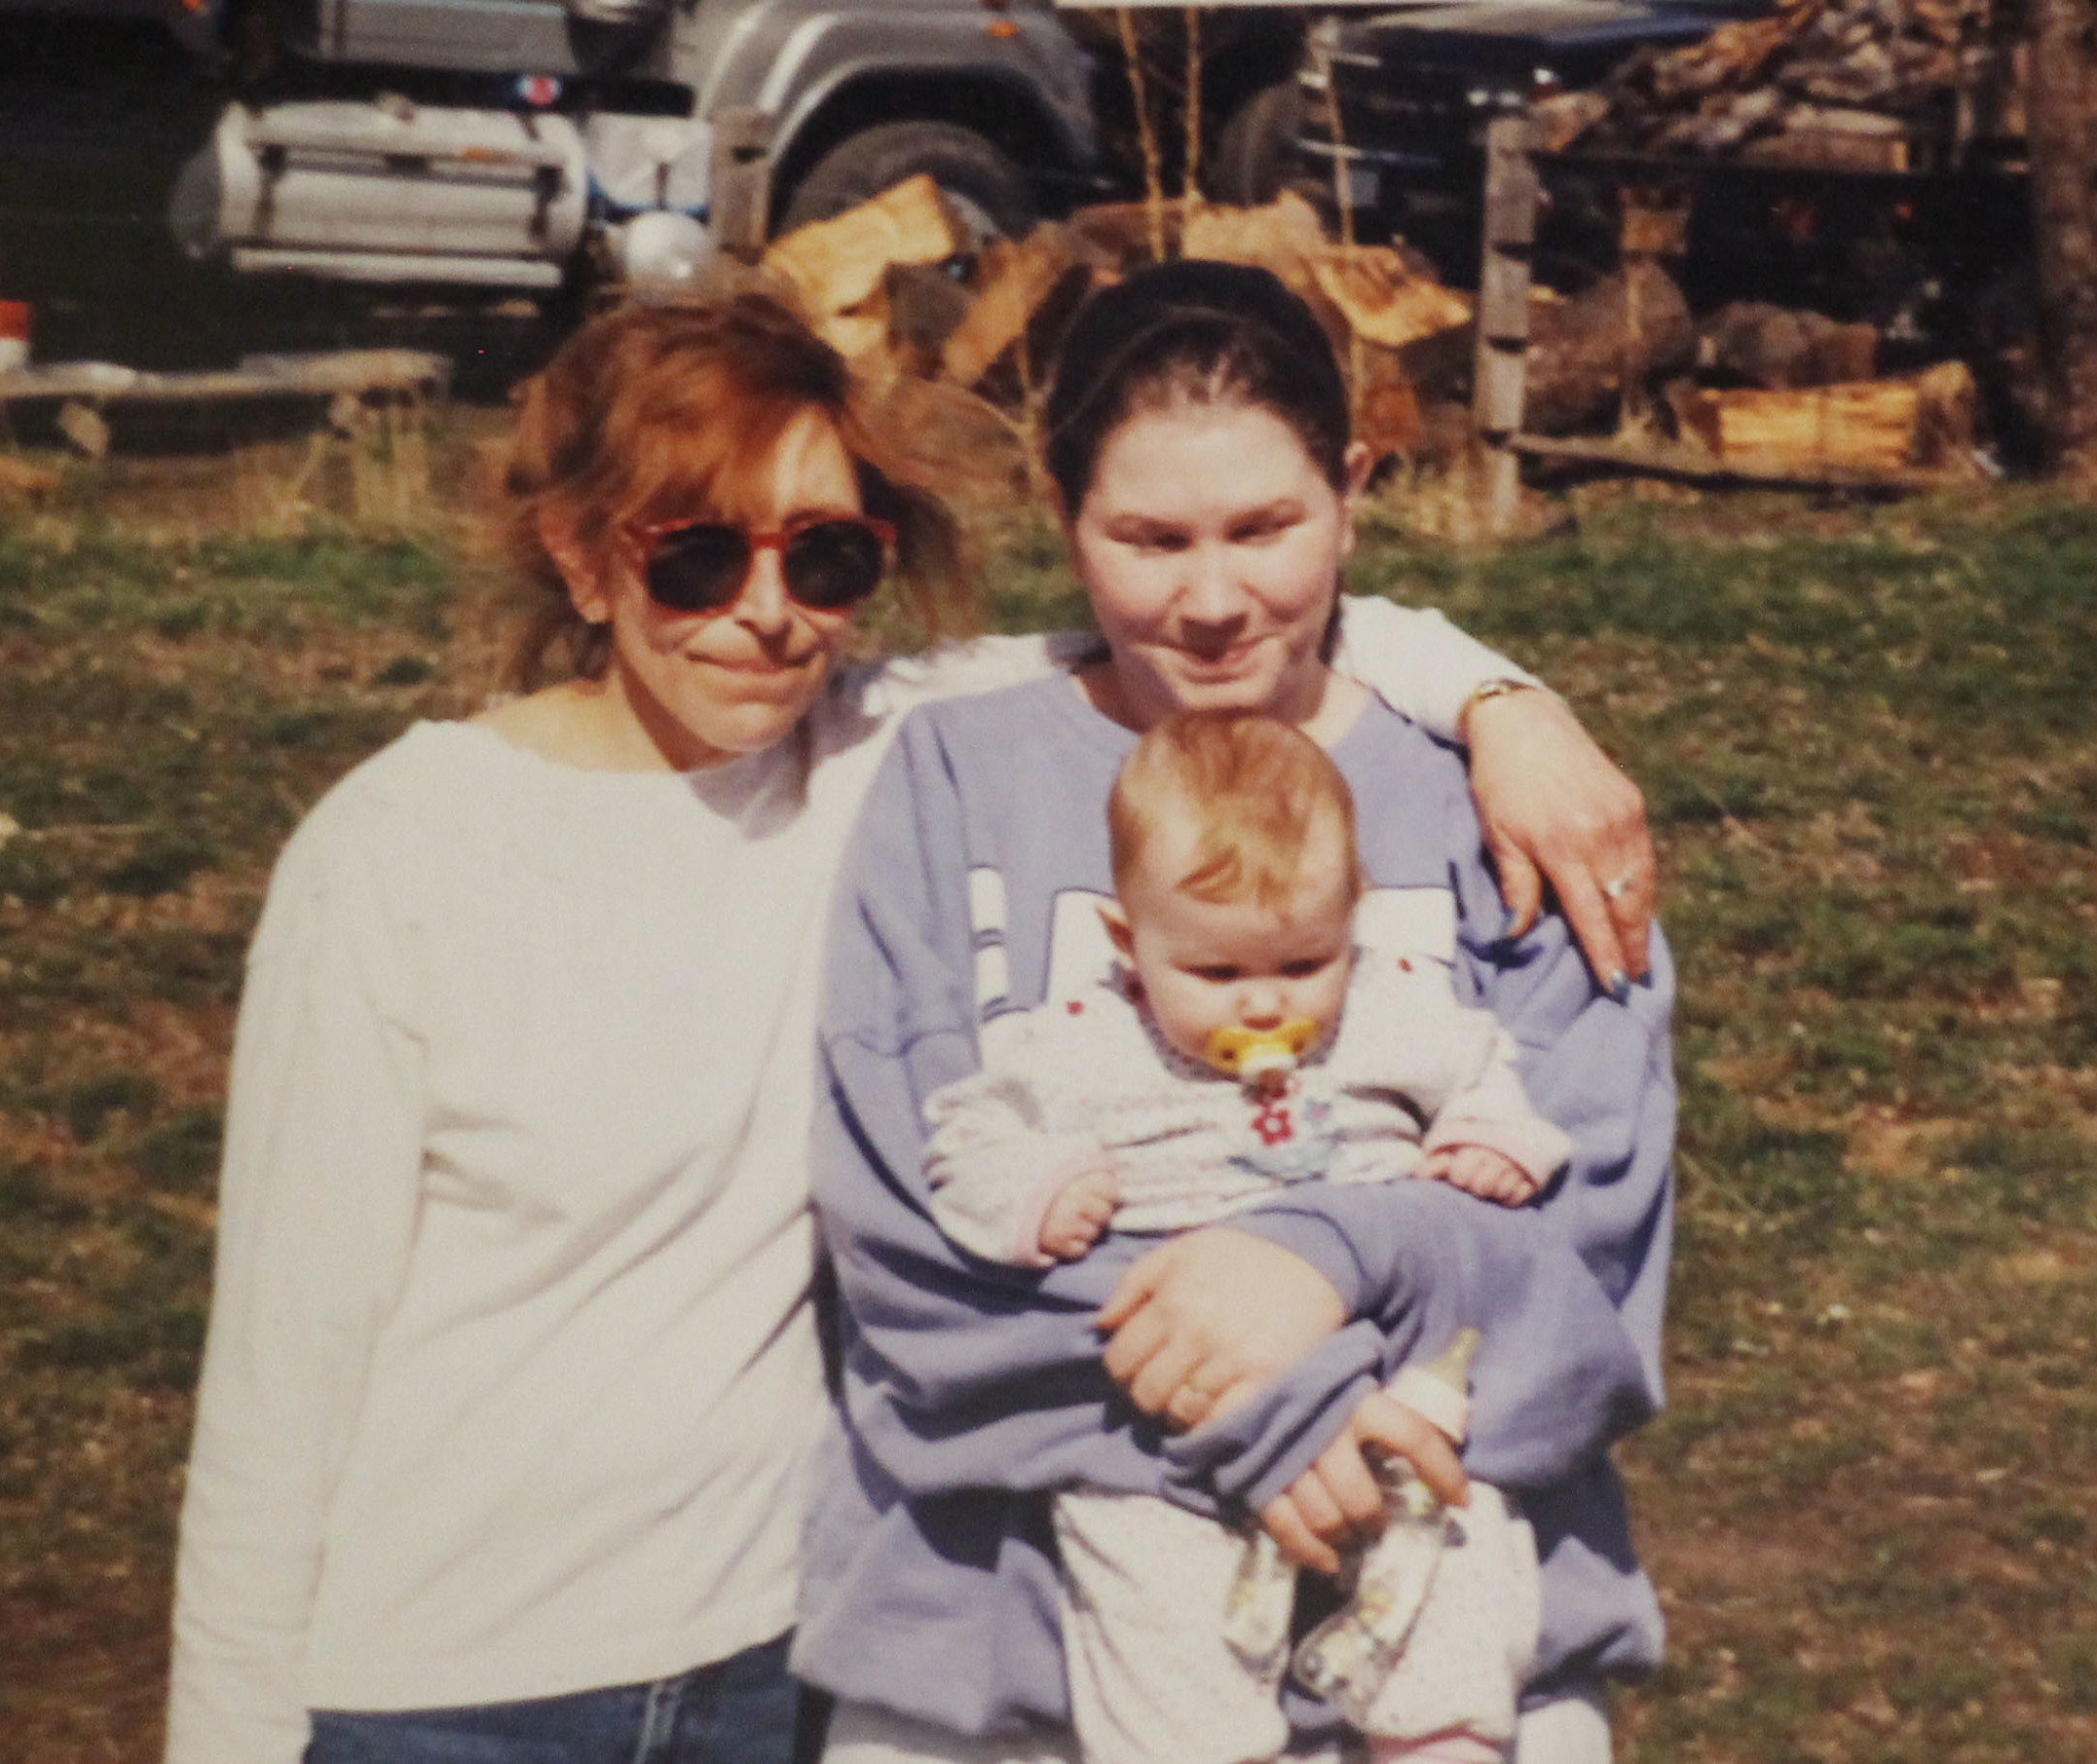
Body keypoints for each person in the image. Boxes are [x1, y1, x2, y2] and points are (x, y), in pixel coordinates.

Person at [162, 286, 1658, 1764]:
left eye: (824, 556)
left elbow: (1246, 613)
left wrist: (1499, 701)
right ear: (579, 554)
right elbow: (288, 1359)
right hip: (491, 1667)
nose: (764, 611)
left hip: (783, 1653)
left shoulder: (895, 744)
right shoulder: (460, 840)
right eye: (692, 556)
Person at [800, 259, 1676, 1764]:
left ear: (1351, 491)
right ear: (1060, 510)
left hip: (1447, 1690)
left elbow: (1580, 1258)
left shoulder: (1507, 809)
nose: (1210, 603)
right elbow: (909, 1232)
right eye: (1147, 539)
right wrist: (1282, 1408)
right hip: (1004, 1684)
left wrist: (1331, 1254)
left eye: (1264, 528)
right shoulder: (955, 781)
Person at [918, 708, 1569, 1764]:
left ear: (1353, 920)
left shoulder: (1394, 1013)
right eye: (1215, 975)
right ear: (1127, 943)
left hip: (1383, 1375)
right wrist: (1037, 1190)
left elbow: (1484, 1070)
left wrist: (1489, 1139)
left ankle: (1442, 1732)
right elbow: (965, 1134)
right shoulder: (1077, 1045)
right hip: (1172, 1412)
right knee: (1142, 1557)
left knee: (1460, 1522)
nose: (1265, 1003)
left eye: (1305, 961)